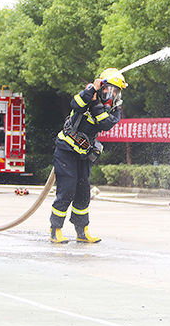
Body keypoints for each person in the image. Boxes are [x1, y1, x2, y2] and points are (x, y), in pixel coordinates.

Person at [50, 68, 127, 244]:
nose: (111, 94)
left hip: (84, 154)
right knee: (67, 190)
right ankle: (56, 230)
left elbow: (105, 124)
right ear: (101, 87)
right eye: (108, 89)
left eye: (115, 91)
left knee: (83, 192)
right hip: (66, 150)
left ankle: (82, 231)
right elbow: (76, 104)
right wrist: (91, 90)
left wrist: (95, 104)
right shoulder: (87, 94)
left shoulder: (114, 109)